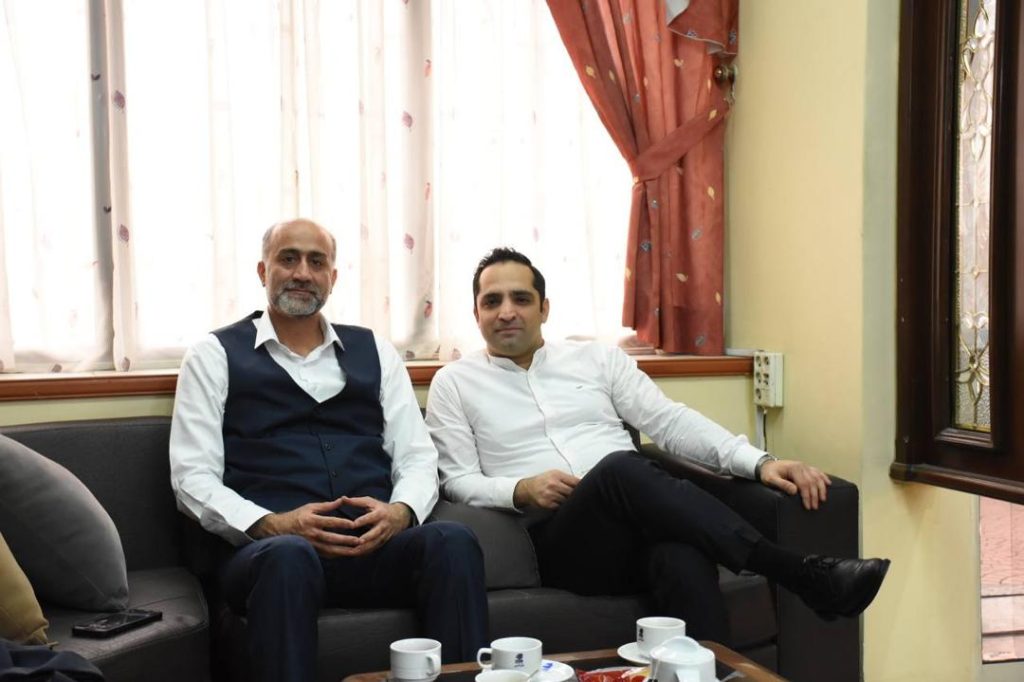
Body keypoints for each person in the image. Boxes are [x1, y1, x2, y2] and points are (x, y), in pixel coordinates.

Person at [425, 247, 889, 645]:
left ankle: (708, 670)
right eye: (492, 301)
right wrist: (520, 489)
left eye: (521, 299)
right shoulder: (455, 383)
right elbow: (458, 480)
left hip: (638, 525)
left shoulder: (597, 359)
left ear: (544, 308)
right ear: (476, 314)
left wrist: (759, 463)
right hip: (561, 541)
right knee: (620, 468)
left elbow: (669, 422)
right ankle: (800, 573)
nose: (507, 311)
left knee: (682, 555)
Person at [170, 219, 489, 682]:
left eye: (316, 262)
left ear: (332, 278)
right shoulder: (213, 354)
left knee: (452, 541)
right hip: (270, 555)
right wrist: (274, 524)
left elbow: (418, 457)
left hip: (374, 549)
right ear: (263, 271)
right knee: (288, 556)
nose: (302, 272)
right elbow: (191, 478)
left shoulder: (375, 350)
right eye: (288, 259)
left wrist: (400, 512)